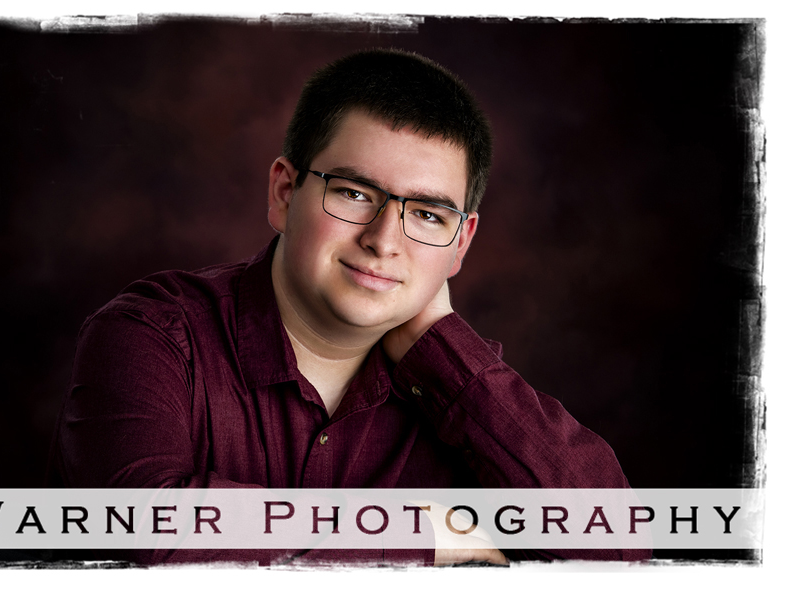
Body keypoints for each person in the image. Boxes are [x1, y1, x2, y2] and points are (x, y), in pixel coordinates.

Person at [50, 48, 650, 566]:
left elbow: (620, 550)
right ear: (285, 194)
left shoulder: (458, 392)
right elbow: (137, 525)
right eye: (354, 193)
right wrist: (421, 532)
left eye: (427, 215)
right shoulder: (151, 334)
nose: (385, 240)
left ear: (460, 243)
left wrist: (441, 343)